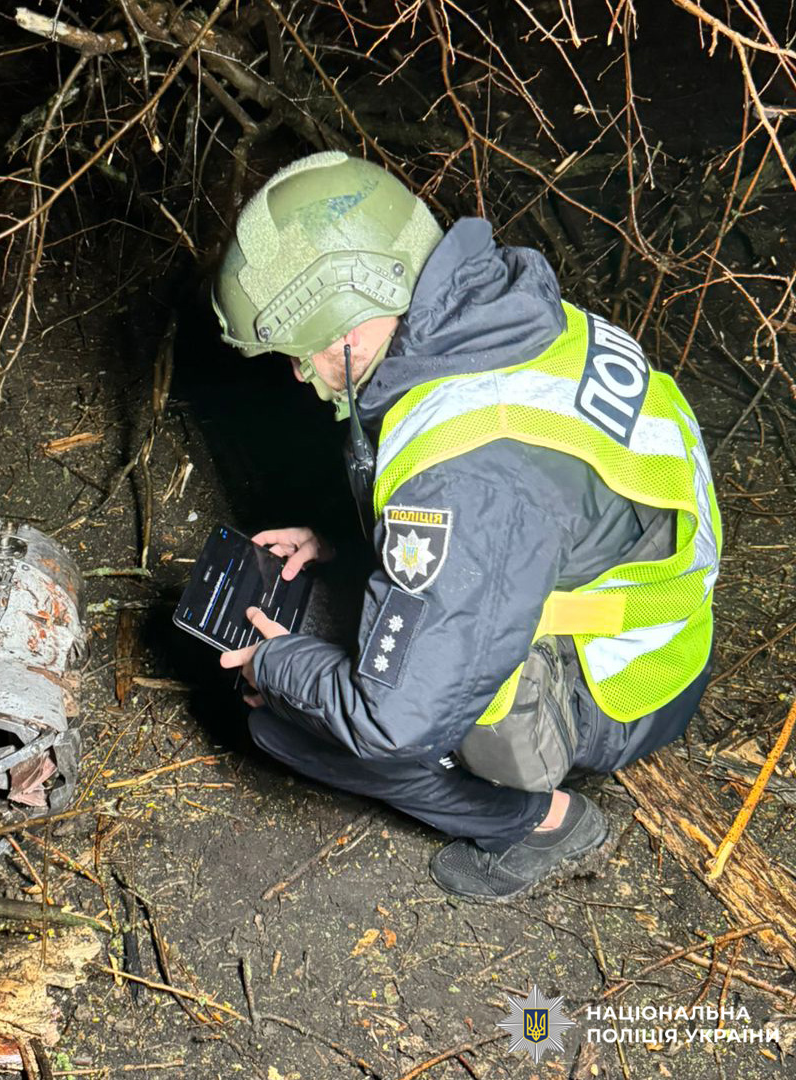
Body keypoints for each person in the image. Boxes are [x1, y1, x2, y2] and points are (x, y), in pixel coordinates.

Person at [209, 151, 721, 903]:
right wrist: (341, 547)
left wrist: (274, 668)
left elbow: (392, 723)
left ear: (351, 326)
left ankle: (542, 823)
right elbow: (522, 516)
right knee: (337, 619)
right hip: (659, 617)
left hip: (625, 681)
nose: (296, 374)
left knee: (283, 726)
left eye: (298, 352)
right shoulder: (502, 322)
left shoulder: (465, 471)